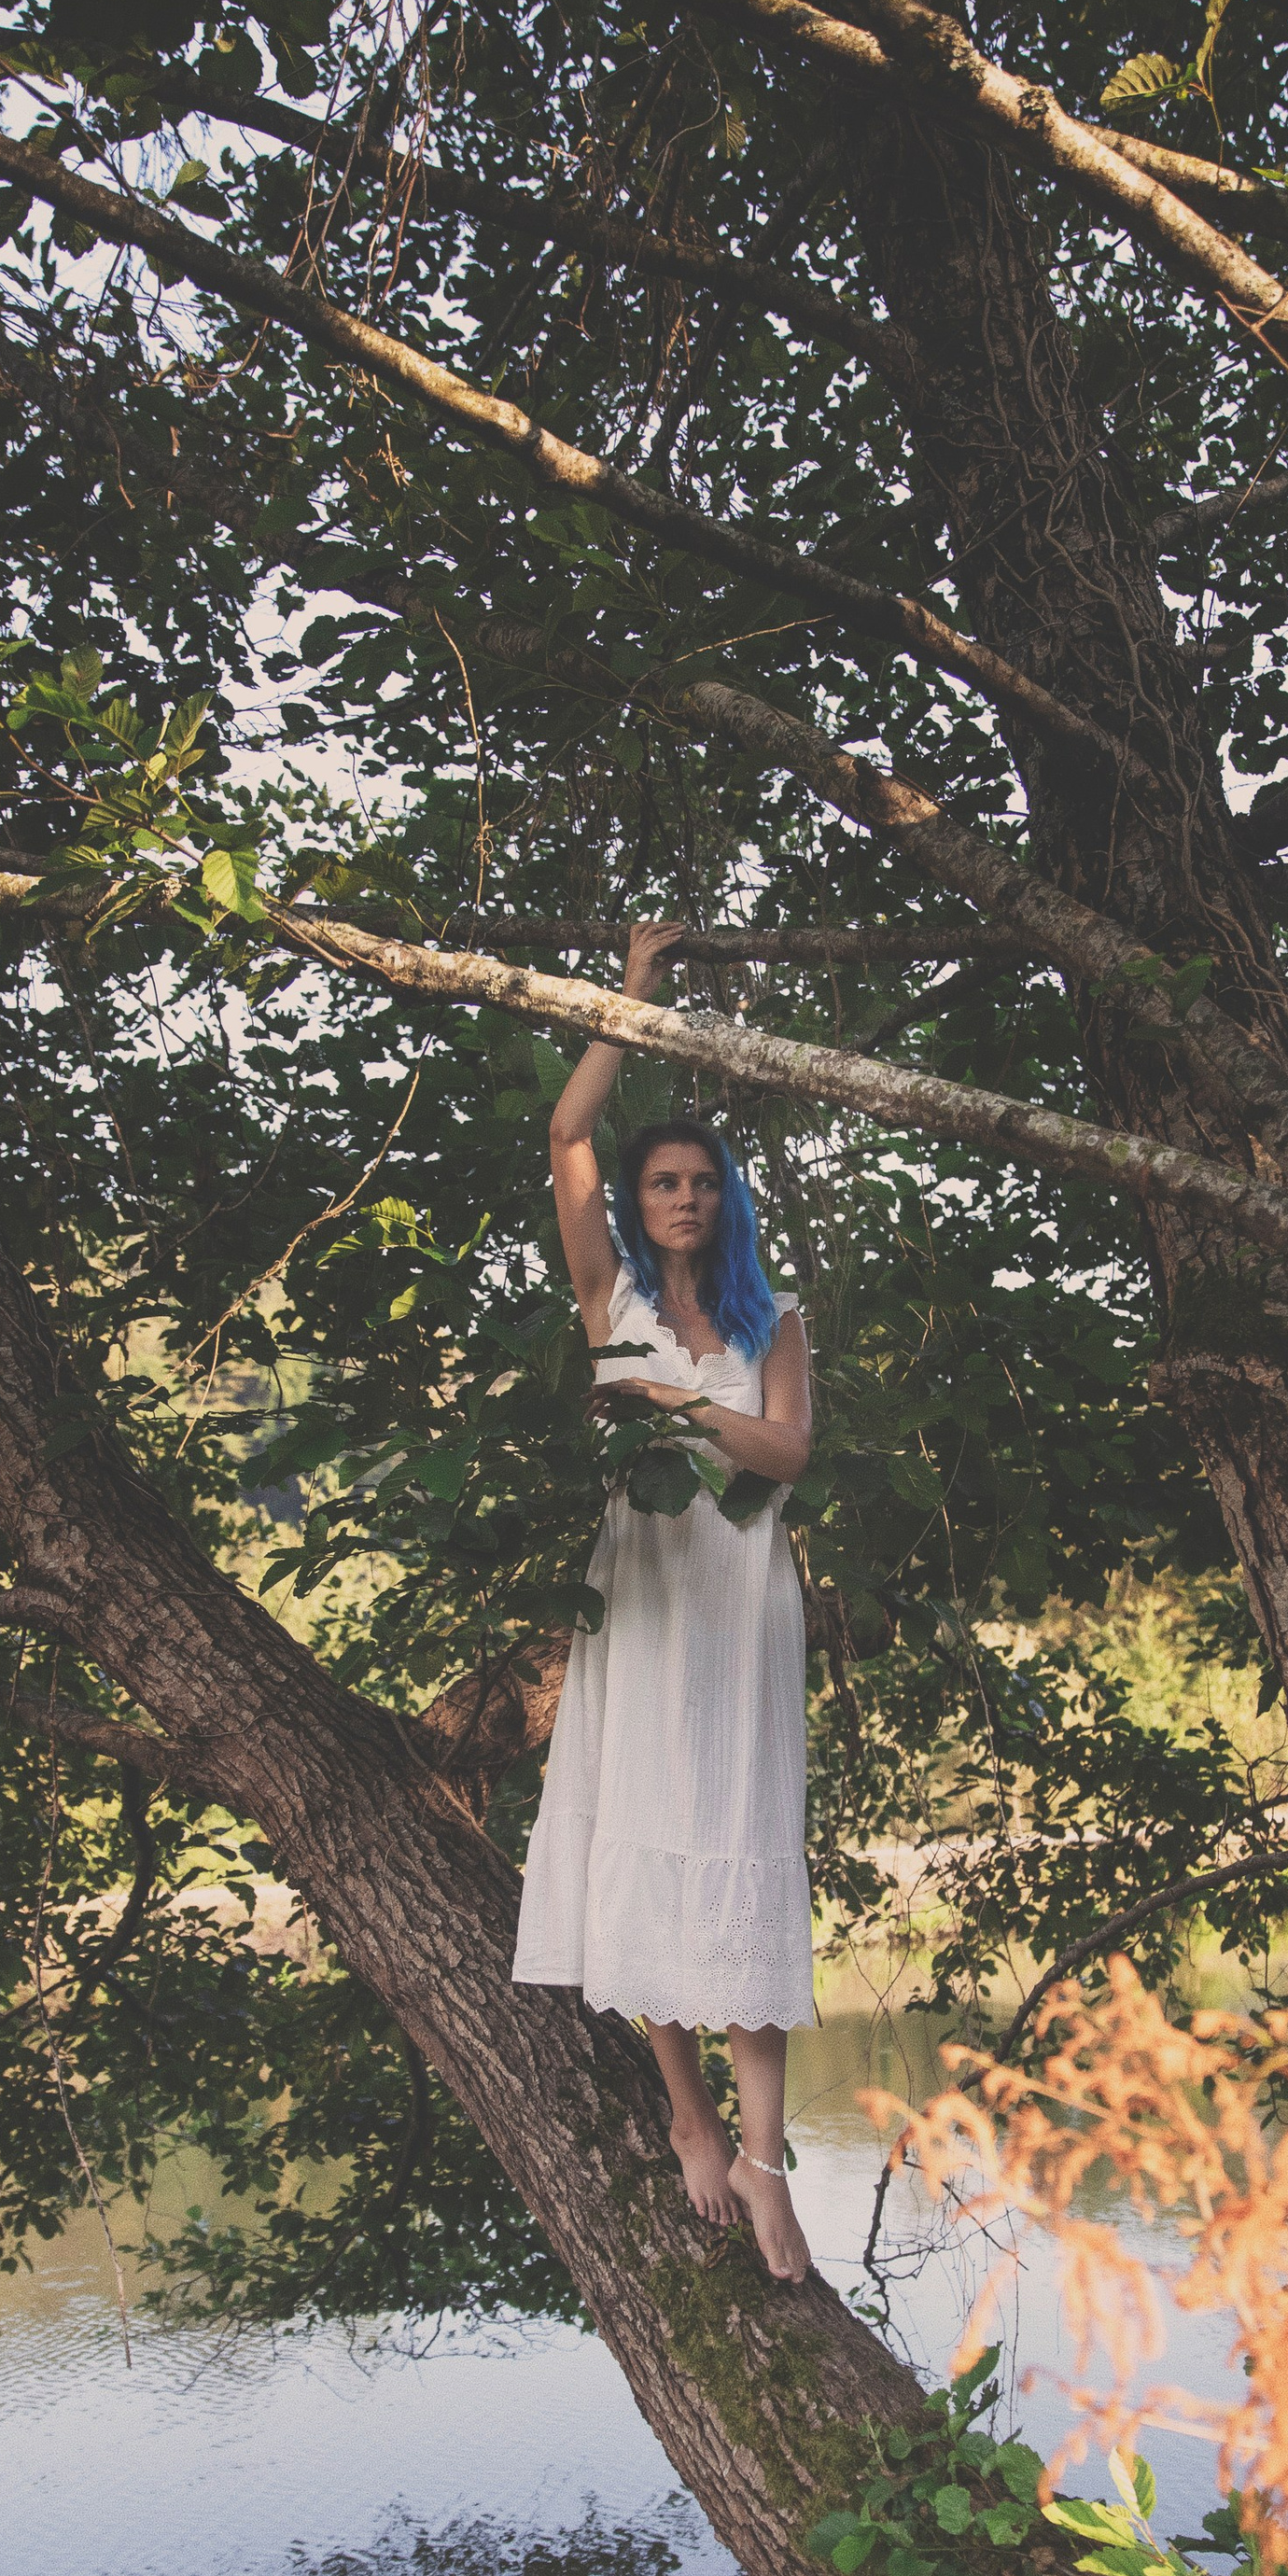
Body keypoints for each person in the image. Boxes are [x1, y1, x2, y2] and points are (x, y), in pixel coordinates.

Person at [511, 917, 817, 2283]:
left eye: (701, 1182)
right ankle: (691, 2124)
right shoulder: (611, 1297)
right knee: (646, 1834)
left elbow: (786, 1455)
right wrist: (631, 1000)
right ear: (640, 1206)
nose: (682, 1198)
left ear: (727, 1200)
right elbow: (571, 1136)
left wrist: (675, 1397)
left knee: (747, 1843)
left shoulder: (773, 1324)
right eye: (664, 1183)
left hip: (744, 1603)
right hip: (642, 1597)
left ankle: (768, 2167)